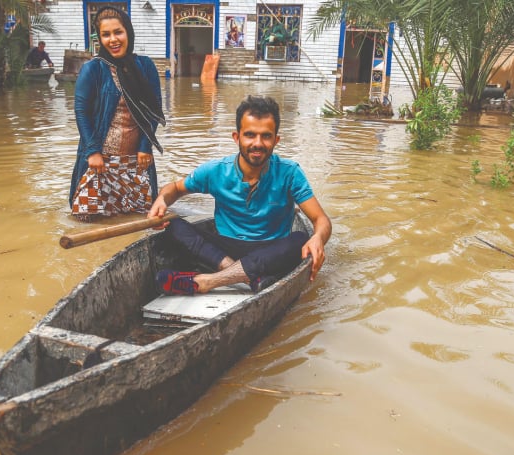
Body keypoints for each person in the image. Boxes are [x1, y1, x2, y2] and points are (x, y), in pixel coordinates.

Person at [148, 95, 331, 295]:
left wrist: (318, 238)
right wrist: (161, 201)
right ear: (237, 137)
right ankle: (248, 278)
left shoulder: (290, 173)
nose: (258, 143)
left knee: (300, 239)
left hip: (271, 251)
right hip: (223, 251)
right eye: (250, 135)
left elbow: (321, 219)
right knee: (174, 226)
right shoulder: (216, 171)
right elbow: (174, 188)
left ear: (276, 140)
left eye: (266, 136)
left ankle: (209, 281)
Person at [69, 6, 165, 218]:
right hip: (100, 162)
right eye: (106, 34)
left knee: (140, 217)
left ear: (128, 33)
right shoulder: (93, 69)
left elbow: (153, 111)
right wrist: (92, 151)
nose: (113, 39)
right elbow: (81, 112)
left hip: (136, 161)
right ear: (100, 39)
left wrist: (145, 146)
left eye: (118, 32)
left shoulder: (145, 67)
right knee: (89, 216)